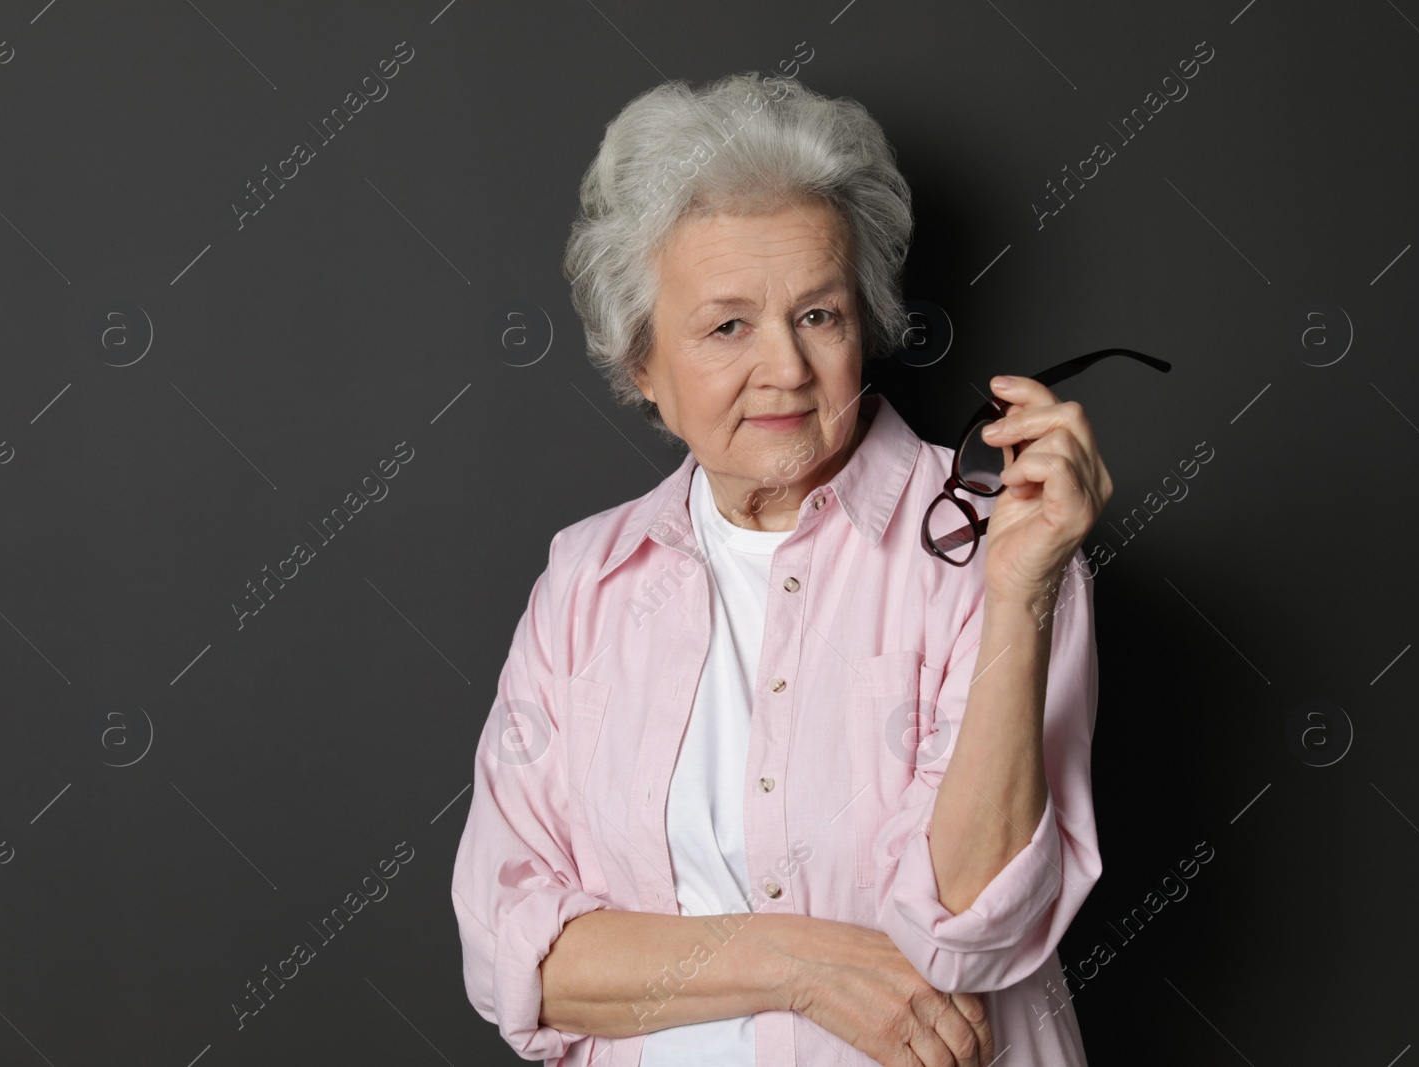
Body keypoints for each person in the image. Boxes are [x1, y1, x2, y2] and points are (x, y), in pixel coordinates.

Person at [451, 69, 1111, 1067]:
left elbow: (969, 932)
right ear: (643, 366)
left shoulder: (995, 541)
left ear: (865, 323)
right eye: (726, 326)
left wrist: (1021, 595)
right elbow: (516, 957)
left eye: (818, 315)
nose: (786, 370)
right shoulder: (585, 581)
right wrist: (795, 960)